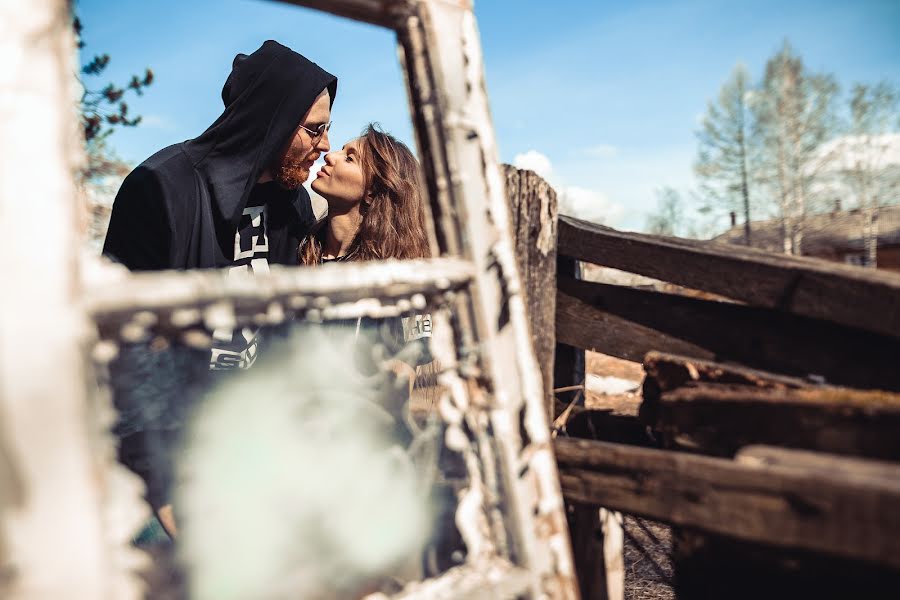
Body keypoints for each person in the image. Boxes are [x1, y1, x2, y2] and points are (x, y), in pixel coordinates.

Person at [103, 40, 338, 536]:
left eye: (327, 131)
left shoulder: (291, 205)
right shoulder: (162, 186)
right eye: (314, 130)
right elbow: (125, 348)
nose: (323, 147)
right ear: (271, 119)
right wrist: (160, 486)